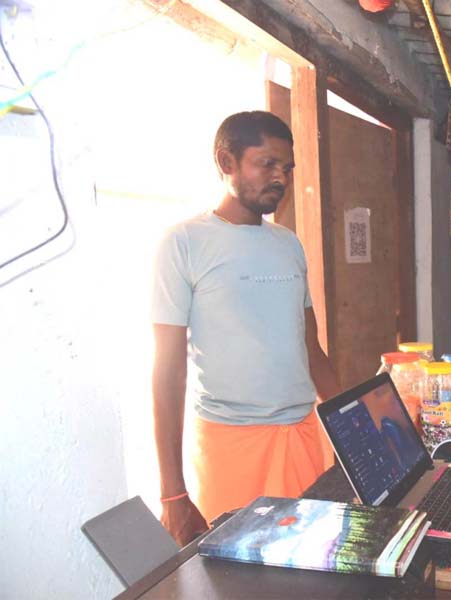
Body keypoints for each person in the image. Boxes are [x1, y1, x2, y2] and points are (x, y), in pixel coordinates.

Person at [150, 111, 341, 546]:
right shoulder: (183, 243)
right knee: (240, 579)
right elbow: (167, 371)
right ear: (226, 161)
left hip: (301, 437)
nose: (280, 177)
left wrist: (357, 435)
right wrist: (172, 492)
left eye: (287, 168)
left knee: (309, 570)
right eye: (267, 163)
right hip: (229, 445)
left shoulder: (288, 244)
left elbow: (312, 350)